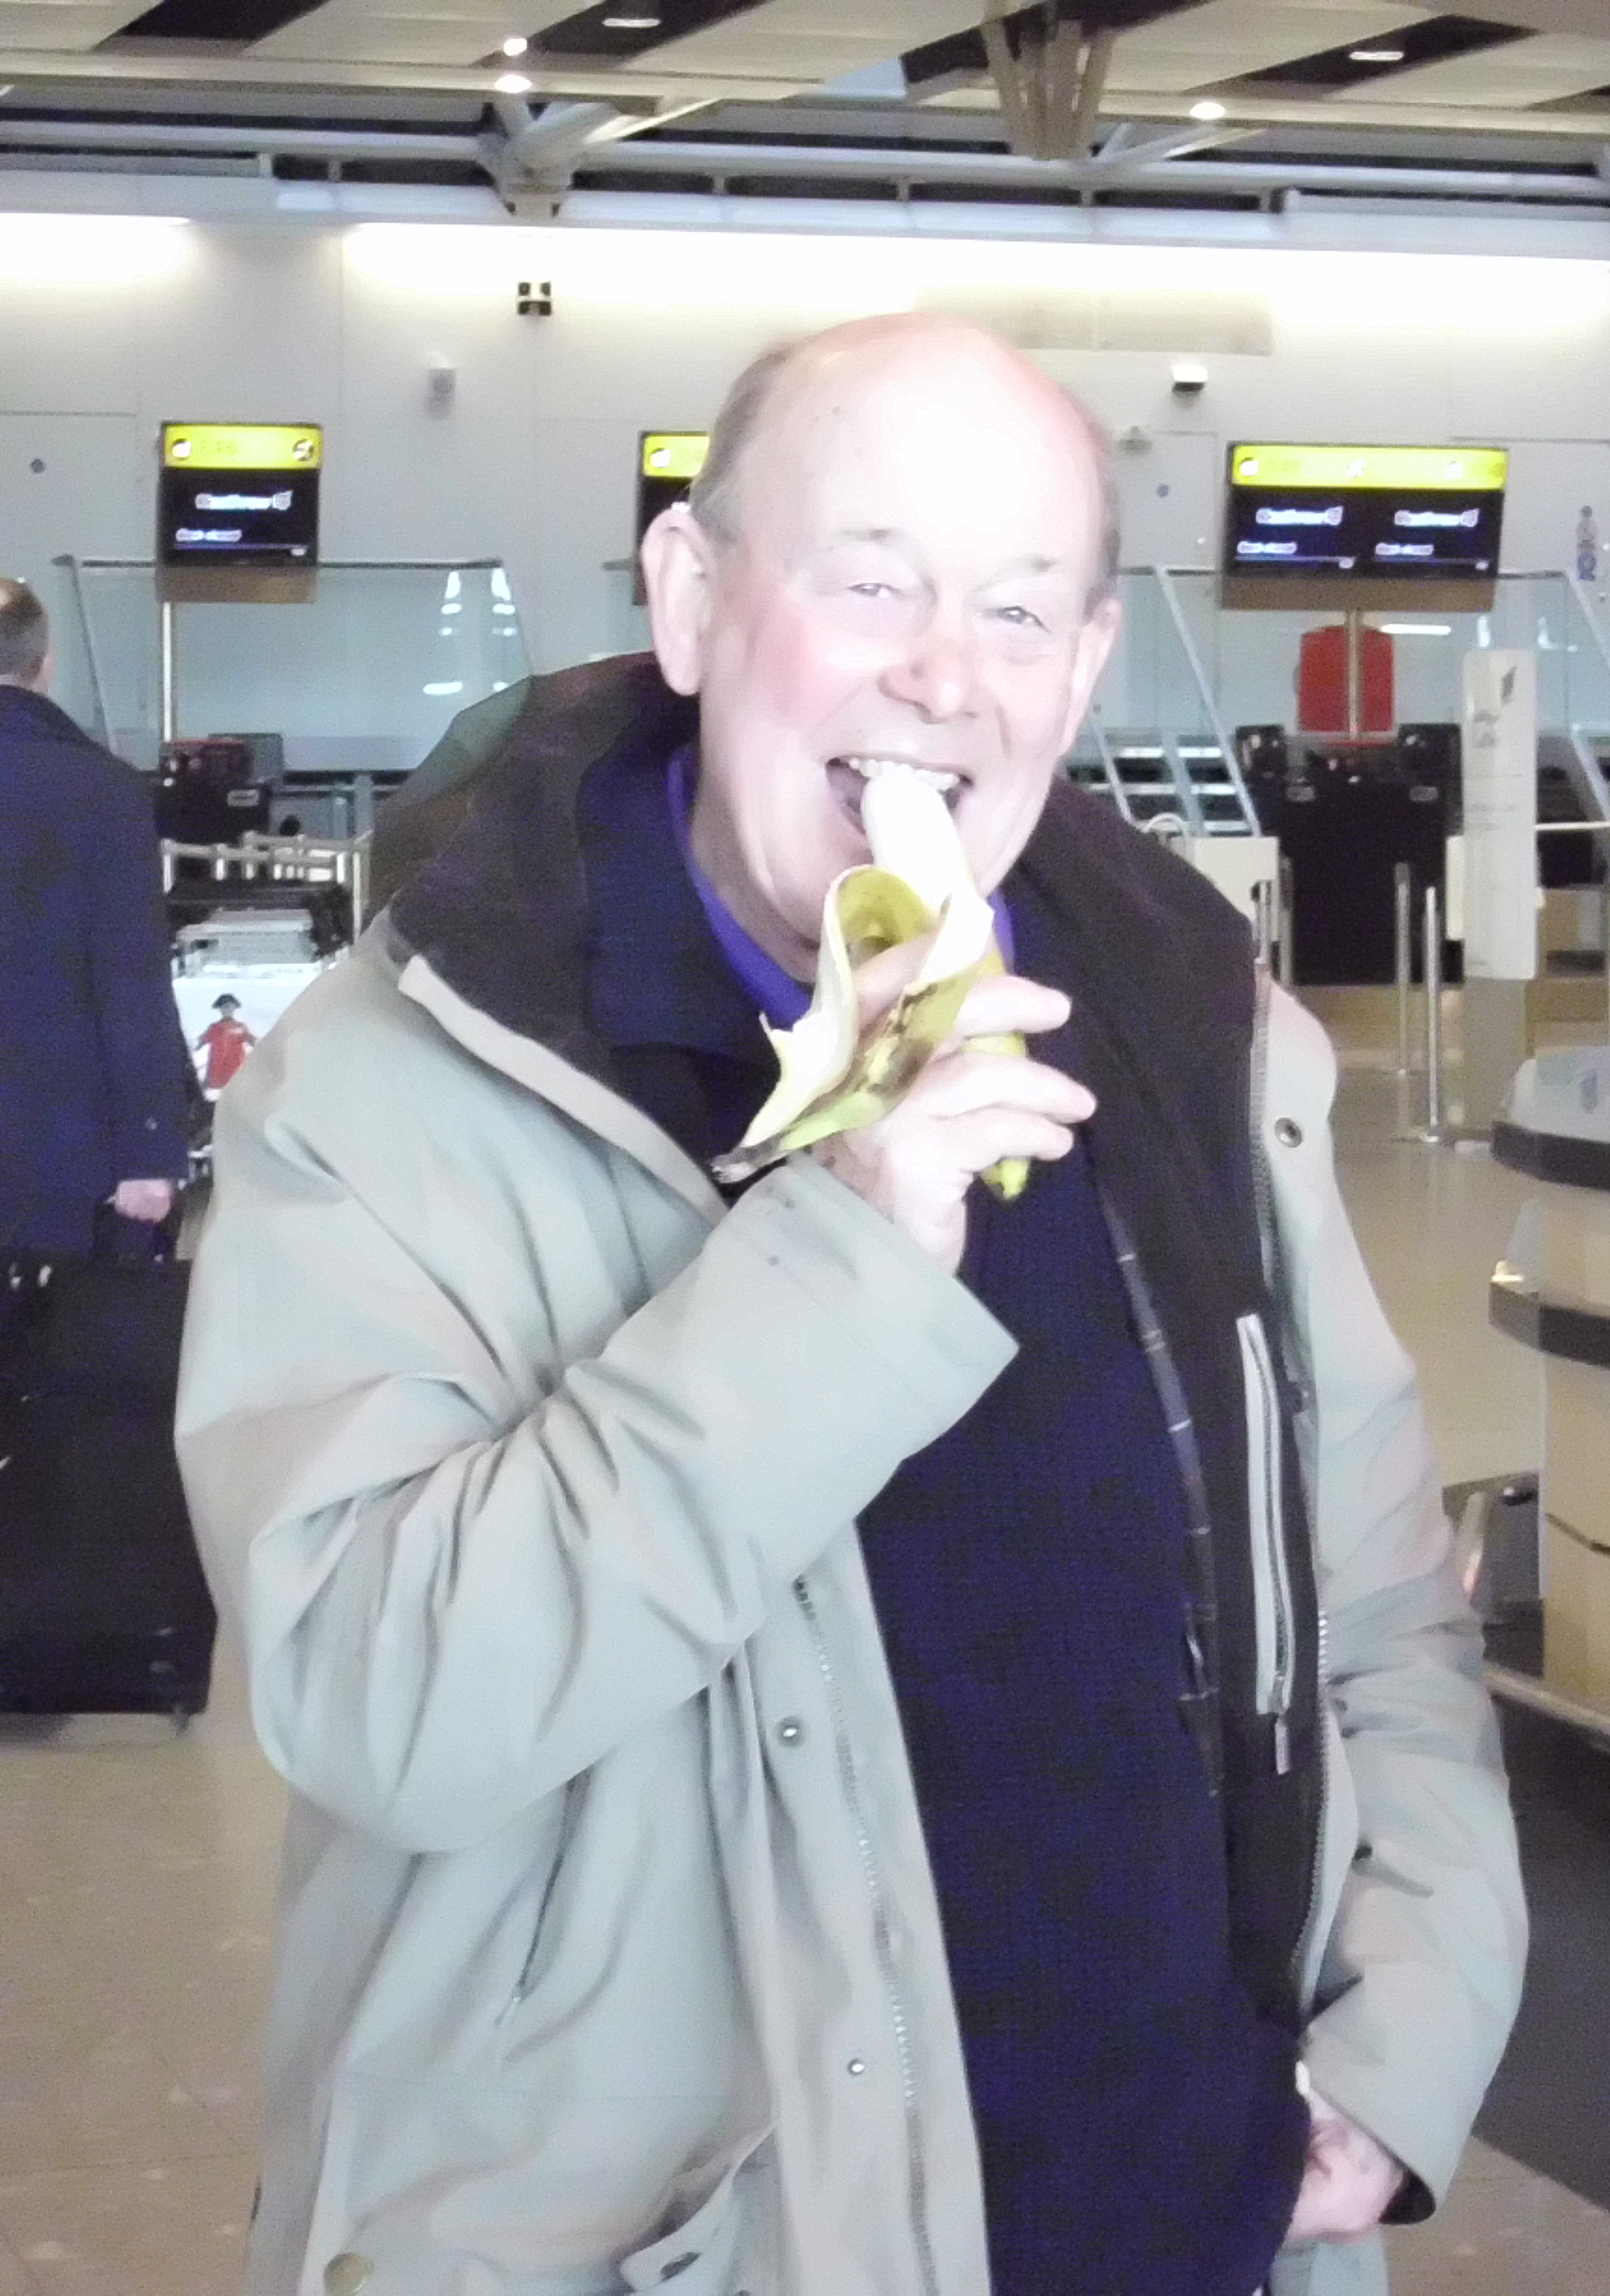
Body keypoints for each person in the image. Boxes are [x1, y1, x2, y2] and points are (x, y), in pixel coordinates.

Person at [175, 315, 1526, 2296]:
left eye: (1015, 609)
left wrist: (1404, 2041)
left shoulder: (1198, 1039)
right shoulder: (407, 1077)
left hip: (1186, 2222)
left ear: (1082, 673)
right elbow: (383, 1704)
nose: (942, 674)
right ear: (695, 600)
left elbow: (1382, 1609)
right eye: (869, 581)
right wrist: (848, 1249)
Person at [0, 574, 191, 1257]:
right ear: (45, 664)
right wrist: (150, 1147)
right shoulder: (101, 790)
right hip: (61, 1155)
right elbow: (130, 977)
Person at [194, 991, 255, 1091]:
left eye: (229, 1006)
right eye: (223, 1007)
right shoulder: (213, 1028)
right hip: (216, 1074)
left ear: (234, 1008)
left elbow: (255, 1044)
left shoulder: (241, 1027)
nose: (226, 1009)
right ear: (219, 1009)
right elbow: (198, 1046)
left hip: (236, 1073)